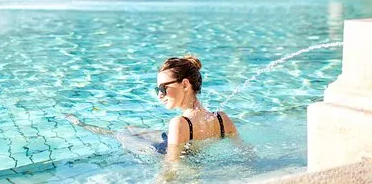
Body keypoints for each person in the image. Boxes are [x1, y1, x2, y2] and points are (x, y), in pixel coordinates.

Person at [66, 55, 252, 163]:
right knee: (133, 132)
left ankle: (81, 124)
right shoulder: (221, 119)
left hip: (159, 151)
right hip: (188, 151)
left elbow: (172, 166)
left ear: (185, 85)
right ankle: (84, 124)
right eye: (158, 90)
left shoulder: (179, 123)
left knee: (123, 134)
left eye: (163, 88)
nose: (159, 95)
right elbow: (247, 153)